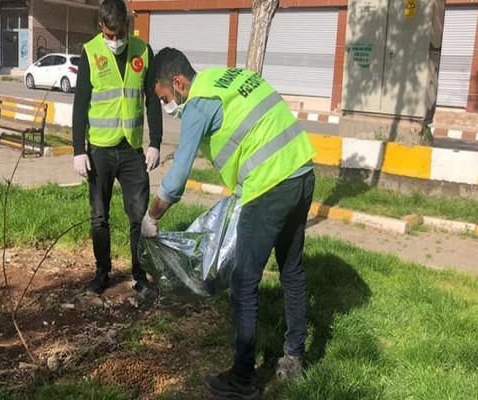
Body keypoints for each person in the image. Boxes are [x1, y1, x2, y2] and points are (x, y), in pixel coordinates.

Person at [141, 48, 317, 399]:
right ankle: (295, 356)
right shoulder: (228, 77)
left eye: (164, 98)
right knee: (292, 270)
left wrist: (152, 216)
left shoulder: (199, 102)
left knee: (243, 281)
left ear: (177, 83)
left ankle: (242, 378)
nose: (167, 107)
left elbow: (176, 179)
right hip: (303, 170)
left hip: (269, 184)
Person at [72, 0, 162, 301]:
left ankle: (139, 275)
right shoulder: (90, 53)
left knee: (139, 217)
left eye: (119, 33)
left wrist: (155, 143)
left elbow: (152, 99)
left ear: (127, 24)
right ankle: (102, 272)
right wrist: (77, 149)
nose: (115, 41)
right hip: (99, 149)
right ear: (101, 26)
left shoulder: (143, 51)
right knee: (99, 216)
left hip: (132, 150)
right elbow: (80, 103)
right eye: (109, 35)